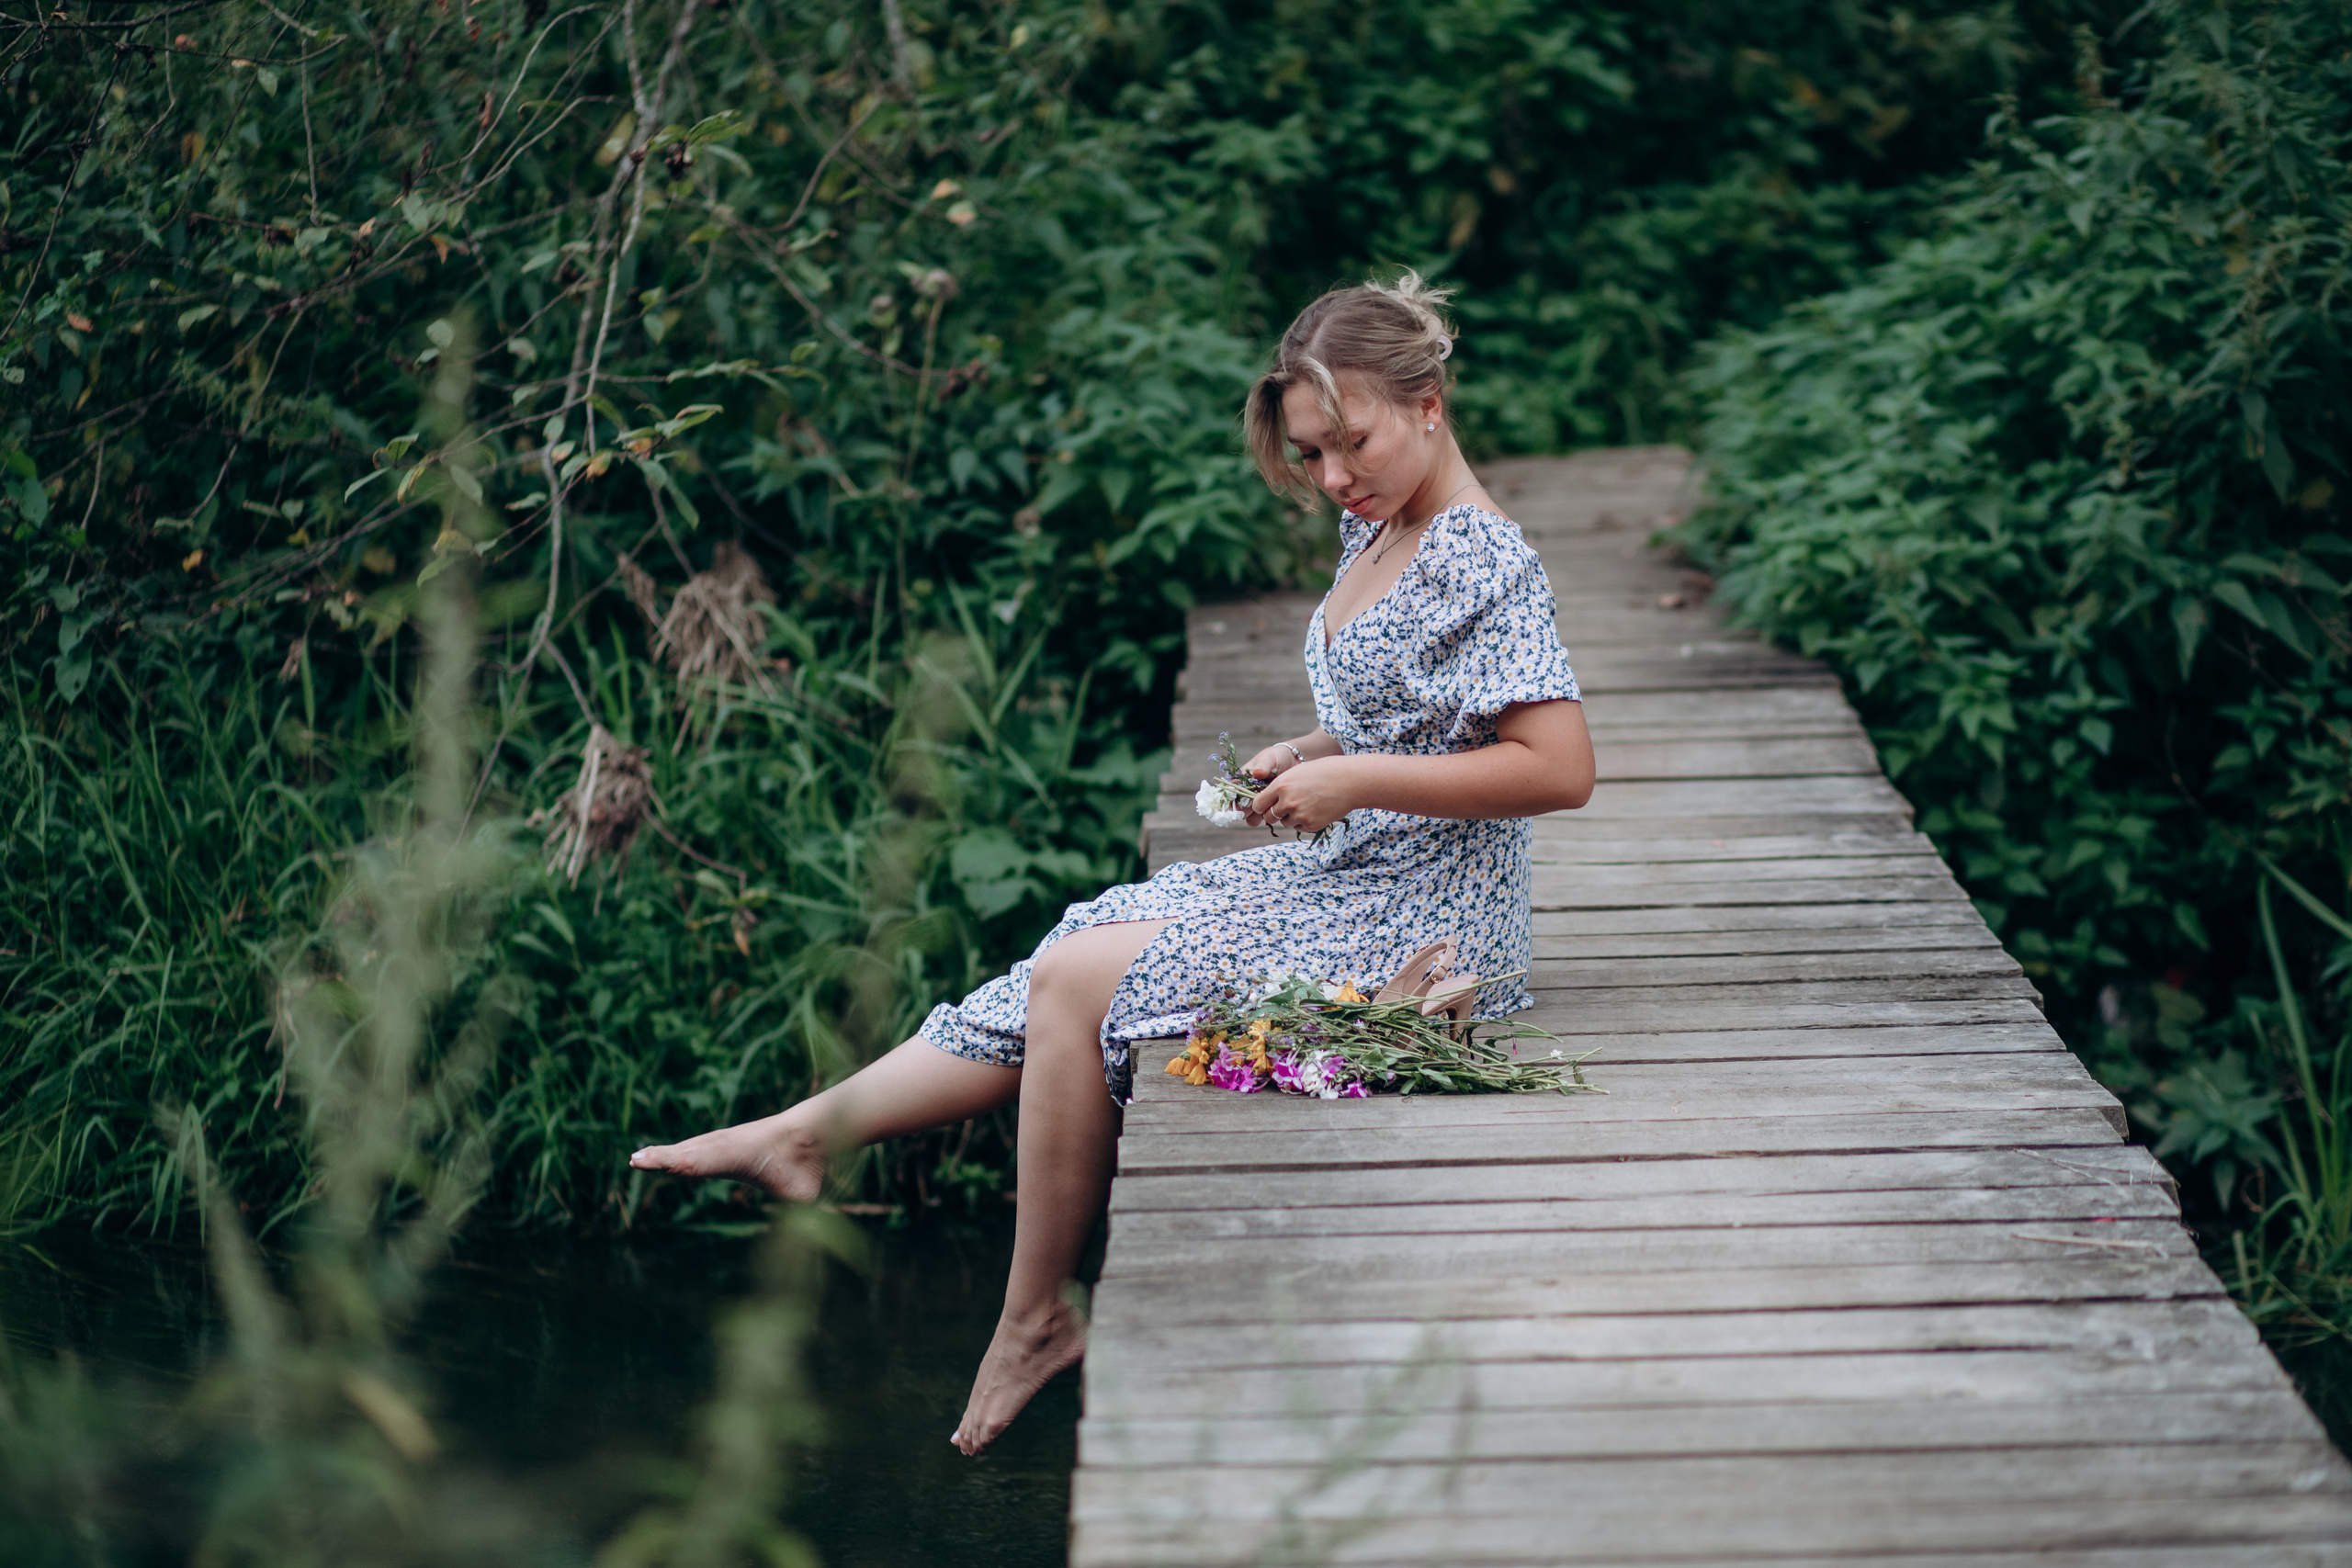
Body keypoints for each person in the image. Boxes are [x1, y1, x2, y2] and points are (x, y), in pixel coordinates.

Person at [628, 272, 1596, 1454]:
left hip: (1432, 918)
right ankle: (807, 1131)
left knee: (1082, 983)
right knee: (1066, 953)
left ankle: (1031, 1314)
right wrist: (1314, 751)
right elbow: (1418, 715)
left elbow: (1555, 766)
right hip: (1357, 869)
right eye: (1310, 454)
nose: (1332, 476)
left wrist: (1355, 783)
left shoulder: (1484, 559)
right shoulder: (1374, 519)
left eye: (1351, 443)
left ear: (1430, 402)